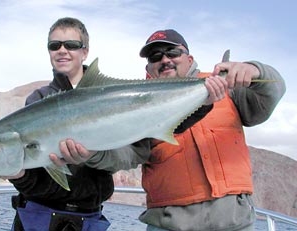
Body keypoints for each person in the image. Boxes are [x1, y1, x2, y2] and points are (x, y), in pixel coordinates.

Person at [63, 29, 286, 231]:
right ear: (148, 68)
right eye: (156, 56)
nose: (165, 59)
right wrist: (93, 153)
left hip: (234, 223)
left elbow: (273, 90)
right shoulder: (135, 105)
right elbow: (125, 154)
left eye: (173, 52)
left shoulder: (226, 88)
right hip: (168, 225)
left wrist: (254, 70)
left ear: (189, 59)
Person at [4, 17, 150, 231]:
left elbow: (134, 153)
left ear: (85, 52)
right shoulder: (37, 100)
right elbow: (33, 175)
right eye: (55, 46)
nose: (62, 50)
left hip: (89, 217)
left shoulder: (112, 100)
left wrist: (94, 156)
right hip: (38, 214)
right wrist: (17, 175)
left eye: (71, 45)